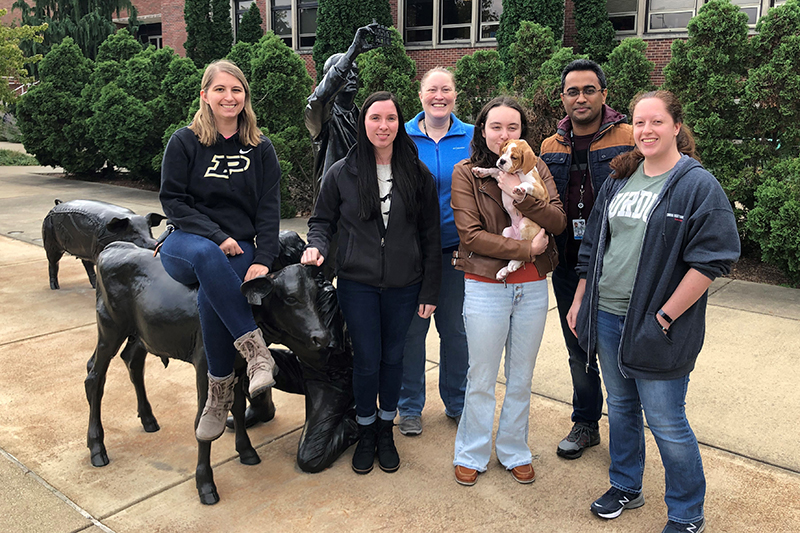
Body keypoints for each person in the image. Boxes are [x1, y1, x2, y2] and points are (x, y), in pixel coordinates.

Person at [566, 91, 740, 533]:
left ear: (676, 126)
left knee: (666, 420)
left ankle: (686, 513)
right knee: (622, 408)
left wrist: (665, 316)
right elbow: (594, 246)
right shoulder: (621, 177)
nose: (646, 130)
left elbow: (713, 259)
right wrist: (581, 297)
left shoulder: (697, 184)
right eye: (639, 122)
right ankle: (626, 484)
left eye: (656, 121)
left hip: (656, 323)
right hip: (606, 314)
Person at [302, 91, 441, 475]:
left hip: (405, 284)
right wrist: (316, 247)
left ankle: (385, 430)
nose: (383, 126)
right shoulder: (343, 172)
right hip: (357, 283)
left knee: (393, 358)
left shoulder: (417, 172)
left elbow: (431, 235)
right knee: (366, 360)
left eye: (391, 119)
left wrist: (430, 289)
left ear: (401, 124)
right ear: (364, 123)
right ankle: (364, 430)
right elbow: (320, 221)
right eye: (375, 118)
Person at [159, 60, 281, 442]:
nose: (229, 97)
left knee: (215, 292)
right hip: (186, 242)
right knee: (209, 258)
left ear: (245, 97)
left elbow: (269, 210)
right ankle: (257, 353)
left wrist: (262, 259)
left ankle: (219, 395)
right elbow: (173, 201)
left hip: (240, 246)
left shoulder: (260, 149)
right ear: (205, 96)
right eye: (220, 90)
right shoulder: (184, 141)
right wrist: (215, 235)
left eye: (236, 90)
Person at [450, 96, 566, 486]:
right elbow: (470, 235)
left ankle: (515, 449)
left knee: (521, 376)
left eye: (512, 128)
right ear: (482, 130)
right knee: (481, 375)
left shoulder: (537, 168)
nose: (503, 135)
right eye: (496, 127)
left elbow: (558, 219)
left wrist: (523, 195)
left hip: (532, 288)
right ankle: (472, 451)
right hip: (485, 285)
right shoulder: (466, 173)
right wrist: (525, 250)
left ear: (522, 134)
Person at [540, 59, 634, 460]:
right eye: (573, 91)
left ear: (604, 95)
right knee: (578, 346)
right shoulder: (549, 146)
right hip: (566, 263)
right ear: (562, 98)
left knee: (621, 349)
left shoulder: (629, 137)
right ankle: (586, 423)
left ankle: (628, 430)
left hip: (616, 264)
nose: (581, 98)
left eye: (589, 90)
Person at [397, 67, 473, 436]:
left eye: (446, 89)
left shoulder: (473, 137)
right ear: (421, 94)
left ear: (455, 95)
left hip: (458, 253)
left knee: (456, 332)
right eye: (432, 89)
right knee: (412, 333)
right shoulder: (402, 136)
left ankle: (457, 403)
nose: (439, 96)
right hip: (411, 253)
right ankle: (409, 406)